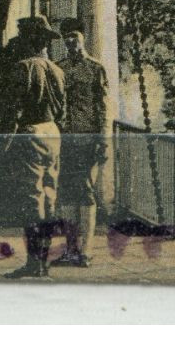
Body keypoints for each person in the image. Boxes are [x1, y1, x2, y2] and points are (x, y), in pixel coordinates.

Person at [3, 14, 66, 279]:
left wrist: (6, 140)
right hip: (53, 132)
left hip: (30, 132)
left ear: (28, 41)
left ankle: (34, 262)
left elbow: (13, 108)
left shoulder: (23, 68)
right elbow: (63, 109)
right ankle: (45, 260)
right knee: (50, 195)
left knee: (31, 198)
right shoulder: (57, 69)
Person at [54, 18, 112, 267]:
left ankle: (85, 251)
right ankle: (70, 249)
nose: (70, 42)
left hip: (88, 138)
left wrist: (104, 140)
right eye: (66, 37)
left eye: (74, 37)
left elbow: (104, 108)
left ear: (83, 38)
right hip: (65, 139)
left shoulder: (95, 69)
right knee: (66, 191)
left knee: (85, 189)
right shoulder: (58, 68)